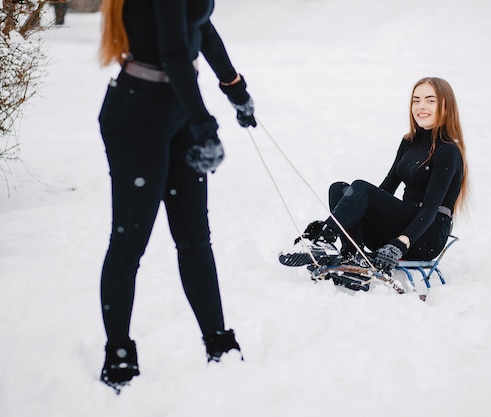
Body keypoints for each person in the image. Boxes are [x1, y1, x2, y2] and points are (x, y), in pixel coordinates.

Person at [97, 0, 255, 392]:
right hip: (137, 114)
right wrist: (205, 125)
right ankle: (118, 350)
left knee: (194, 236)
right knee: (129, 243)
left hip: (176, 108)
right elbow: (170, 50)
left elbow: (200, 27)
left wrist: (233, 85)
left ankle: (217, 340)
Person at [279, 77, 468, 276]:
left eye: (431, 100)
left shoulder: (448, 151)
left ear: (446, 106)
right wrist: (351, 209)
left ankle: (324, 238)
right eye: (416, 100)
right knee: (341, 189)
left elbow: (430, 209)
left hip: (424, 236)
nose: (421, 106)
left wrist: (401, 243)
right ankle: (351, 256)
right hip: (400, 225)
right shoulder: (409, 142)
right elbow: (385, 189)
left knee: (360, 187)